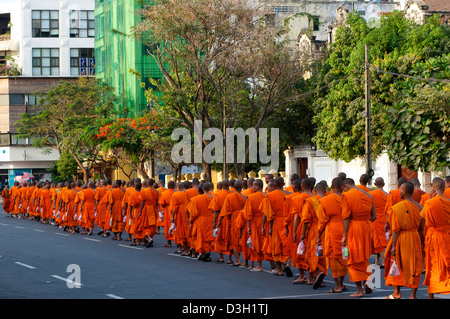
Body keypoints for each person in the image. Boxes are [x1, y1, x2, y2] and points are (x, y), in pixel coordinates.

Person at [384, 182, 423, 299]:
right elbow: (421, 228)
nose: (399, 192)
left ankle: (397, 292)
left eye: (400, 190)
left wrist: (394, 245)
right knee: (415, 265)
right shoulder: (420, 207)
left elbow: (395, 229)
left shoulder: (398, 208)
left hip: (401, 238)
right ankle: (413, 295)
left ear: (404, 192)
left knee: (396, 262)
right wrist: (420, 240)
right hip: (415, 237)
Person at [341, 178, 377, 297]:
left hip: (354, 228)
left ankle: (359, 290)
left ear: (346, 186)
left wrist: (344, 235)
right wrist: (364, 221)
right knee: (363, 255)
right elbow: (374, 216)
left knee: (353, 257)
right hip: (366, 227)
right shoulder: (368, 195)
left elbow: (346, 217)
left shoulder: (347, 195)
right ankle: (368, 279)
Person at [316, 177, 348, 293]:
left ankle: (337, 285)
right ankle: (342, 283)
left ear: (331, 187)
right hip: (346, 229)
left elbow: (322, 220)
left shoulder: (326, 200)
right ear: (342, 187)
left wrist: (319, 236)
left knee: (334, 258)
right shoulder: (348, 198)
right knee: (344, 256)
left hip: (332, 230)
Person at [420, 177, 450, 298]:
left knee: (432, 265)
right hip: (447, 237)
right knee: (447, 265)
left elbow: (421, 216)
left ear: (432, 188)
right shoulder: (448, 202)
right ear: (444, 188)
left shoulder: (430, 203)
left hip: (434, 239)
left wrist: (428, 199)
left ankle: (431, 296)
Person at [300, 182, 327, 288]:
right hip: (326, 230)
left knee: (313, 252)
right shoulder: (329, 200)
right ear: (325, 190)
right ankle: (317, 277)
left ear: (314, 190)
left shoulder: (311, 201)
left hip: (314, 230)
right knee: (322, 254)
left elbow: (306, 220)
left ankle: (314, 276)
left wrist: (303, 233)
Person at [263, 176, 291, 276]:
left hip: (275, 223)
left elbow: (269, 214)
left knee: (276, 246)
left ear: (274, 185)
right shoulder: (290, 194)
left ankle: (279, 269)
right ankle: (288, 262)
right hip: (287, 222)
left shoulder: (270, 196)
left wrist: (269, 227)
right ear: (283, 184)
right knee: (286, 244)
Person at [217, 180, 247, 266]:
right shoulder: (245, 197)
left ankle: (238, 260)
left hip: (234, 219)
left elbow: (224, 211)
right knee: (240, 239)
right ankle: (241, 260)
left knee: (234, 240)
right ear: (241, 187)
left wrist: (219, 221)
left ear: (233, 187)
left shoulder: (230, 197)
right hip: (242, 219)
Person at [291, 178, 314, 283]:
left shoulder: (297, 198)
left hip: (301, 226)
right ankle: (311, 276)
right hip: (314, 227)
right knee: (311, 252)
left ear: (302, 186)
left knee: (300, 251)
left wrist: (295, 231)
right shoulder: (316, 198)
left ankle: (301, 275)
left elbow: (296, 217)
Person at [243, 179, 266, 272]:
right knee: (265, 242)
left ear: (257, 186)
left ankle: (259, 265)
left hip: (255, 222)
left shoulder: (251, 197)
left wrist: (248, 226)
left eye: (253, 186)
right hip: (266, 221)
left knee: (256, 243)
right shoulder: (266, 195)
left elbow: (248, 214)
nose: (252, 188)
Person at [188, 182, 215, 262]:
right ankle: (207, 252)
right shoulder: (213, 198)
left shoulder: (196, 199)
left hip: (201, 219)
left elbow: (193, 213)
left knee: (201, 236)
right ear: (210, 189)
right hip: (211, 219)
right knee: (209, 236)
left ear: (203, 189)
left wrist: (191, 221)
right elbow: (216, 210)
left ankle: (203, 251)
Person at [209, 179, 233, 263]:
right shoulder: (233, 195)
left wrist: (215, 221)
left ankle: (221, 257)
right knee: (230, 238)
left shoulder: (218, 195)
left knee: (219, 237)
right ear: (229, 185)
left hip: (220, 219)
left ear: (221, 186)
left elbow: (215, 210)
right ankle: (229, 259)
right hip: (231, 219)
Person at [369, 177, 389, 268]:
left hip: (375, 219)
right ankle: (377, 261)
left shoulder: (371, 194)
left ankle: (384, 261)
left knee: (379, 241)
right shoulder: (388, 195)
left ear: (375, 184)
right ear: (384, 184)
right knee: (379, 241)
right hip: (385, 219)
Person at [170, 181, 188, 254]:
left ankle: (181, 248)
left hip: (179, 214)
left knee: (180, 231)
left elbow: (174, 208)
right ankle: (188, 248)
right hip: (187, 213)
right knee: (187, 231)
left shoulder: (175, 195)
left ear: (178, 187)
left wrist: (172, 217)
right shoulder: (187, 194)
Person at [159, 180, 176, 247]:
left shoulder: (164, 193)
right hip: (175, 210)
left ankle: (169, 242)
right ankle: (179, 242)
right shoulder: (177, 192)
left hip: (167, 210)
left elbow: (162, 204)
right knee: (176, 225)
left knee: (168, 226)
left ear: (168, 186)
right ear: (174, 186)